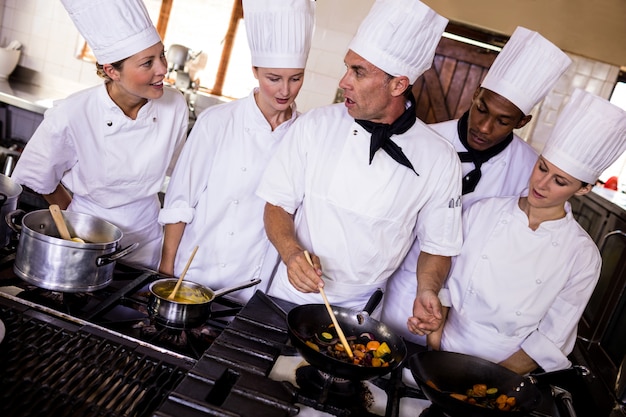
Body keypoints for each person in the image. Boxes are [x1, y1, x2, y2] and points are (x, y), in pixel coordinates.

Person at [256, 0, 462, 324]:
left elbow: (438, 245)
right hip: (291, 295)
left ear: (398, 84)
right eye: (347, 67)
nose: (343, 82)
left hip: (360, 311)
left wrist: (428, 290)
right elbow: (277, 205)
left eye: (358, 72)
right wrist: (291, 253)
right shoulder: (316, 125)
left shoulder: (440, 158)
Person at [382, 26, 572, 343]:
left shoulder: (532, 172)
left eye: (502, 120)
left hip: (467, 314)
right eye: (482, 109)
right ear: (475, 95)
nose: (484, 127)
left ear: (522, 122)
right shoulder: (424, 140)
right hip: (401, 286)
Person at [428, 88, 626, 374]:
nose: (542, 184)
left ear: (583, 189)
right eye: (542, 167)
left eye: (560, 181)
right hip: (444, 347)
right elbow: (445, 286)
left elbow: (550, 338)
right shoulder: (483, 211)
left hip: (506, 372)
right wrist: (434, 346)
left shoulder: (582, 255)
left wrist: (489, 383)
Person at [10, 0, 188, 270]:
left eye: (161, 55)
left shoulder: (175, 105)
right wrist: (75, 221)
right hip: (85, 242)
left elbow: (179, 174)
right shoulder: (73, 112)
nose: (162, 69)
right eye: (147, 63)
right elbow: (38, 176)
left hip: (146, 243)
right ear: (111, 71)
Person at [158, 0, 315, 303]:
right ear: (255, 70)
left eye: (295, 78)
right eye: (274, 78)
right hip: (191, 275)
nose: (285, 90)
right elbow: (180, 201)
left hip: (252, 286)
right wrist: (165, 271)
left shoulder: (306, 134)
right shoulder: (217, 122)